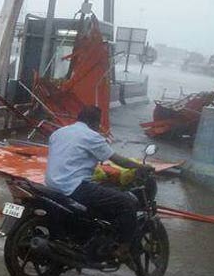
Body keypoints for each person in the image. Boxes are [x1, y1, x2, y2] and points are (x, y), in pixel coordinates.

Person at [44, 105, 150, 258]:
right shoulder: (92, 137)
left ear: (79, 118)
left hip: (51, 184)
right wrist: (140, 166)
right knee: (127, 203)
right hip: (74, 187)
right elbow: (118, 160)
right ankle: (123, 248)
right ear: (95, 122)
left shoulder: (59, 132)